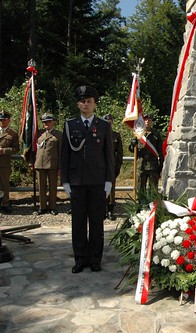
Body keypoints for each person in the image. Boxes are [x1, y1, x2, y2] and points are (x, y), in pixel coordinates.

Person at [60, 85, 114, 273]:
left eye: (89, 101)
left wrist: (109, 181)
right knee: (79, 223)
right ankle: (80, 259)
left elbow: (109, 156)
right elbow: (64, 155)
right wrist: (65, 181)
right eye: (82, 101)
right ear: (78, 104)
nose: (86, 104)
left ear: (95, 104)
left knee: (97, 222)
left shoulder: (104, 126)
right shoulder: (70, 125)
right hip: (76, 182)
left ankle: (95, 259)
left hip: (98, 181)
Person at [32, 114, 62, 215]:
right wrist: (32, 163)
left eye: (49, 121)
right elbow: (33, 149)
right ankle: (42, 207)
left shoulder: (58, 135)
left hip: (52, 164)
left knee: (53, 187)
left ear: (53, 122)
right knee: (41, 187)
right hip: (40, 164)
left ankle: (52, 207)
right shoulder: (38, 134)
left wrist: (60, 167)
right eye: (44, 122)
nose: (46, 124)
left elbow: (61, 152)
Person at [129, 114, 163, 200]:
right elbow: (132, 150)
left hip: (153, 165)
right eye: (146, 120)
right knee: (140, 188)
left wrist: (161, 165)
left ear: (152, 122)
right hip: (141, 165)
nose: (148, 122)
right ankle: (140, 207)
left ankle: (152, 207)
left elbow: (160, 151)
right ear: (143, 121)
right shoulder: (138, 133)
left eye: (150, 120)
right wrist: (132, 145)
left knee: (153, 189)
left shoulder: (156, 134)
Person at [103, 114, 123, 220]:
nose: (108, 122)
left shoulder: (116, 135)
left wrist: (118, 167)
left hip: (111, 166)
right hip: (100, 166)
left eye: (110, 121)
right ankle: (102, 209)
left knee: (110, 188)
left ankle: (110, 209)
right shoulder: (98, 134)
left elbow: (119, 154)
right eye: (106, 121)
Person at [0, 111, 19, 214]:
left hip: (4, 163)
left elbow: (16, 149)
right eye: (1, 120)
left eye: (4, 120)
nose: (2, 122)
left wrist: (4, 151)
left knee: (4, 184)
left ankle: (5, 204)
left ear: (9, 120)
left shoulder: (13, 134)